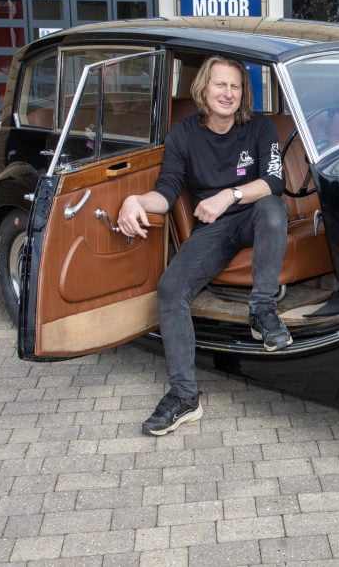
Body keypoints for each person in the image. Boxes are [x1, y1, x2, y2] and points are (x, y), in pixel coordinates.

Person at [117, 55, 291, 436]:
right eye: (220, 85)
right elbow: (165, 194)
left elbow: (273, 183)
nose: (228, 93)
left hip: (251, 216)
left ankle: (262, 311)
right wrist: (134, 202)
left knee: (272, 208)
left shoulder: (259, 128)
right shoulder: (183, 134)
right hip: (213, 231)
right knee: (171, 289)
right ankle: (184, 396)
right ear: (204, 89)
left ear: (243, 92)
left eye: (235, 86)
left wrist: (228, 196)